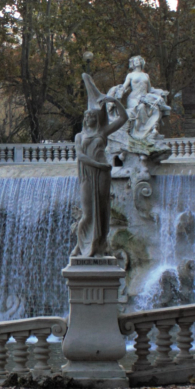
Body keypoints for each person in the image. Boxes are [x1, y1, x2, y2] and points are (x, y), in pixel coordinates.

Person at [72, 73, 129, 258]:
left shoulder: (103, 132)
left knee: (103, 209)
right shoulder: (79, 136)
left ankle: (100, 245)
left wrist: (115, 101)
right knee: (87, 213)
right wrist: (98, 165)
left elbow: (123, 118)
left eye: (92, 116)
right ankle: (80, 246)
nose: (89, 118)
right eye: (87, 116)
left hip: (103, 174)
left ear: (96, 119)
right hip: (89, 173)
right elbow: (80, 156)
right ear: (84, 119)